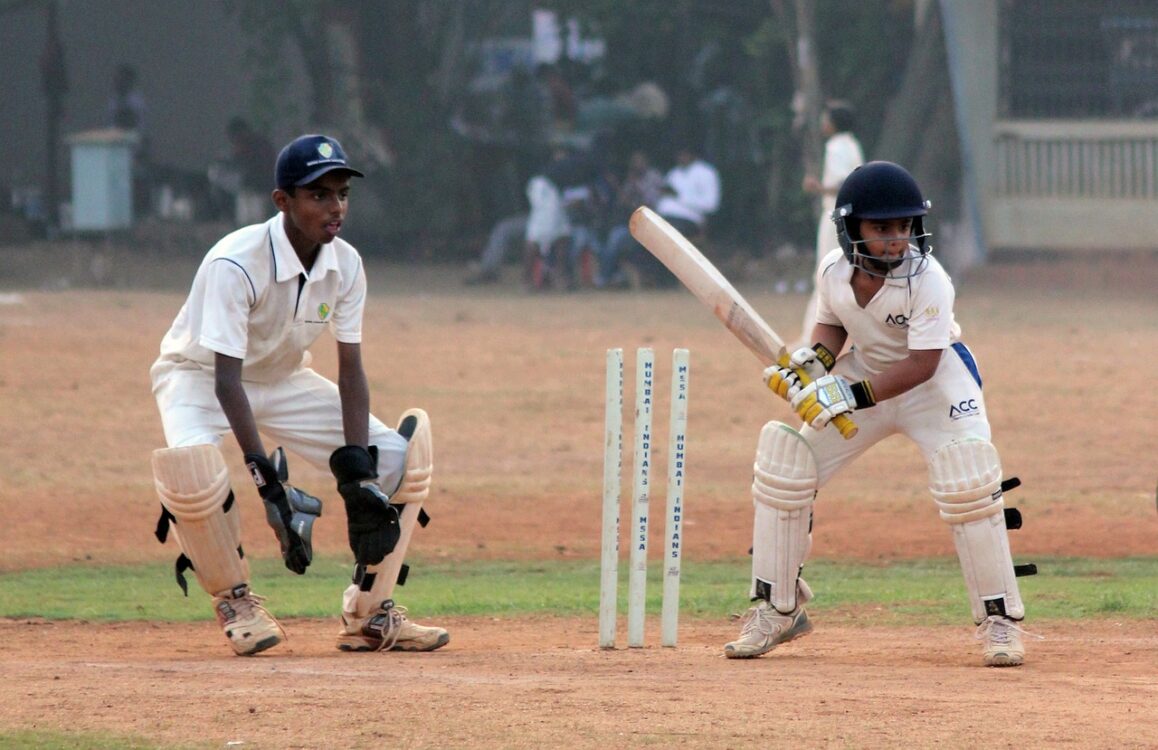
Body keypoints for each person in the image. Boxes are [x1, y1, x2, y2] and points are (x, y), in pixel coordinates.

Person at [149, 134, 449, 657]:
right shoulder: (235, 263)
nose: (335, 208)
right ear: (282, 201)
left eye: (341, 194)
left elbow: (350, 368)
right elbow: (226, 382)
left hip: (285, 378)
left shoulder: (346, 264)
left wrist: (357, 474)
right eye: (318, 196)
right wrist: (267, 484)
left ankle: (369, 614)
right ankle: (237, 603)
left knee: (400, 458)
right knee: (192, 471)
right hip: (198, 378)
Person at [726, 161, 1033, 667]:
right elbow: (832, 325)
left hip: (933, 385)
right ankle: (778, 608)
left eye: (904, 227)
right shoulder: (833, 271)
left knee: (970, 481)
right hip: (864, 372)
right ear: (852, 231)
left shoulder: (929, 279)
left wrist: (848, 395)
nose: (897, 240)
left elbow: (922, 364)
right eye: (882, 228)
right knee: (788, 463)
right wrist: (814, 361)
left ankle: (1000, 620)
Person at [797, 101, 864, 346]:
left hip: (835, 217)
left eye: (826, 118)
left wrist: (817, 187)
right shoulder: (853, 144)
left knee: (824, 276)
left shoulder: (835, 146)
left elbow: (840, 182)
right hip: (853, 218)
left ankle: (811, 340)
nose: (823, 122)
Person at [626, 145, 720, 287]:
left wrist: (680, 197)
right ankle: (652, 278)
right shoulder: (674, 173)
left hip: (690, 220)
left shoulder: (706, 173)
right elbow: (663, 197)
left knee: (666, 236)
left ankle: (668, 281)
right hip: (665, 217)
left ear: (692, 154)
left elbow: (711, 204)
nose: (681, 157)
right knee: (642, 234)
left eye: (684, 154)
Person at [596, 150, 665, 288]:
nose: (637, 165)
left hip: (653, 224)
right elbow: (623, 203)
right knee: (612, 240)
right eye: (634, 162)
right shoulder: (631, 179)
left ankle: (608, 277)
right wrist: (620, 188)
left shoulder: (654, 177)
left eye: (640, 161)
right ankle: (607, 277)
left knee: (618, 240)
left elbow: (652, 204)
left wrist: (637, 190)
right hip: (632, 225)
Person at [226, 116, 277, 225]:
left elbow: (263, 170)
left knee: (257, 223)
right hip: (248, 190)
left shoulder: (259, 146)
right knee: (245, 223)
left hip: (261, 190)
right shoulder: (242, 149)